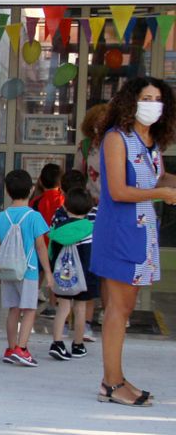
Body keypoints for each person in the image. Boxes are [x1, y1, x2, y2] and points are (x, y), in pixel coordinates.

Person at [91, 77, 176, 407]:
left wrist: (166, 186)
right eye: (147, 97)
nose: (153, 103)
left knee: (122, 309)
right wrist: (162, 194)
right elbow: (119, 191)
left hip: (143, 234)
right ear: (131, 101)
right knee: (119, 309)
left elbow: (157, 177)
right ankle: (111, 384)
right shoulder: (116, 138)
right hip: (121, 232)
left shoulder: (151, 141)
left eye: (158, 98)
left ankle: (115, 379)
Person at [0, 170, 53, 367]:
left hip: (7, 270)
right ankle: (22, 349)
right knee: (29, 310)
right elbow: (41, 246)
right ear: (32, 190)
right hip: (29, 270)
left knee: (13, 310)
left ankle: (10, 348)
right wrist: (49, 273)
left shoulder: (2, 216)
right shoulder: (34, 216)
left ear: (8, 192)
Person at [48, 188, 97, 361]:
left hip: (63, 276)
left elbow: (51, 253)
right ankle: (77, 345)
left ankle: (57, 343)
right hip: (85, 277)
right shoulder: (91, 229)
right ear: (90, 209)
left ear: (66, 207)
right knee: (80, 309)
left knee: (63, 308)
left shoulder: (58, 228)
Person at [31, 163, 64, 319]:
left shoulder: (36, 201)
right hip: (57, 243)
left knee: (37, 273)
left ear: (41, 181)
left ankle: (30, 301)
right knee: (55, 274)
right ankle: (52, 305)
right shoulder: (64, 199)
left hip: (38, 244)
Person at [77, 103, 111, 204]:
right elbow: (77, 175)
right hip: (90, 202)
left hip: (114, 202)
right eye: (97, 122)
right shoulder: (85, 146)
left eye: (104, 123)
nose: (100, 126)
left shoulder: (119, 145)